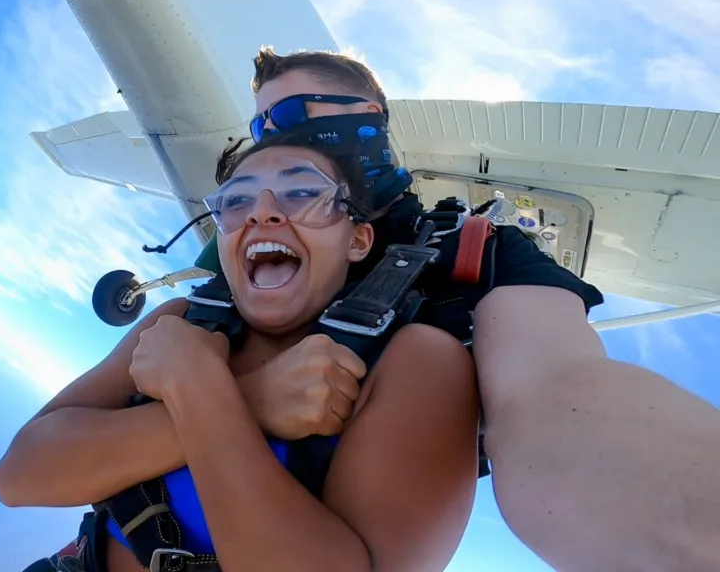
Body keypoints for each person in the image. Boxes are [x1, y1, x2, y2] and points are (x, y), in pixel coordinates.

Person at [246, 47, 720, 569]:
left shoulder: (479, 250)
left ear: (366, 116)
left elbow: (552, 390)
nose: (272, 135)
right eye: (260, 125)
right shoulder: (238, 266)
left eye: (288, 114)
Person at [0, 129, 481, 571]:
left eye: (302, 193)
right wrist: (254, 400)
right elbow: (19, 474)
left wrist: (195, 385)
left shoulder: (419, 362)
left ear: (357, 239)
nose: (260, 212)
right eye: (236, 200)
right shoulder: (183, 321)